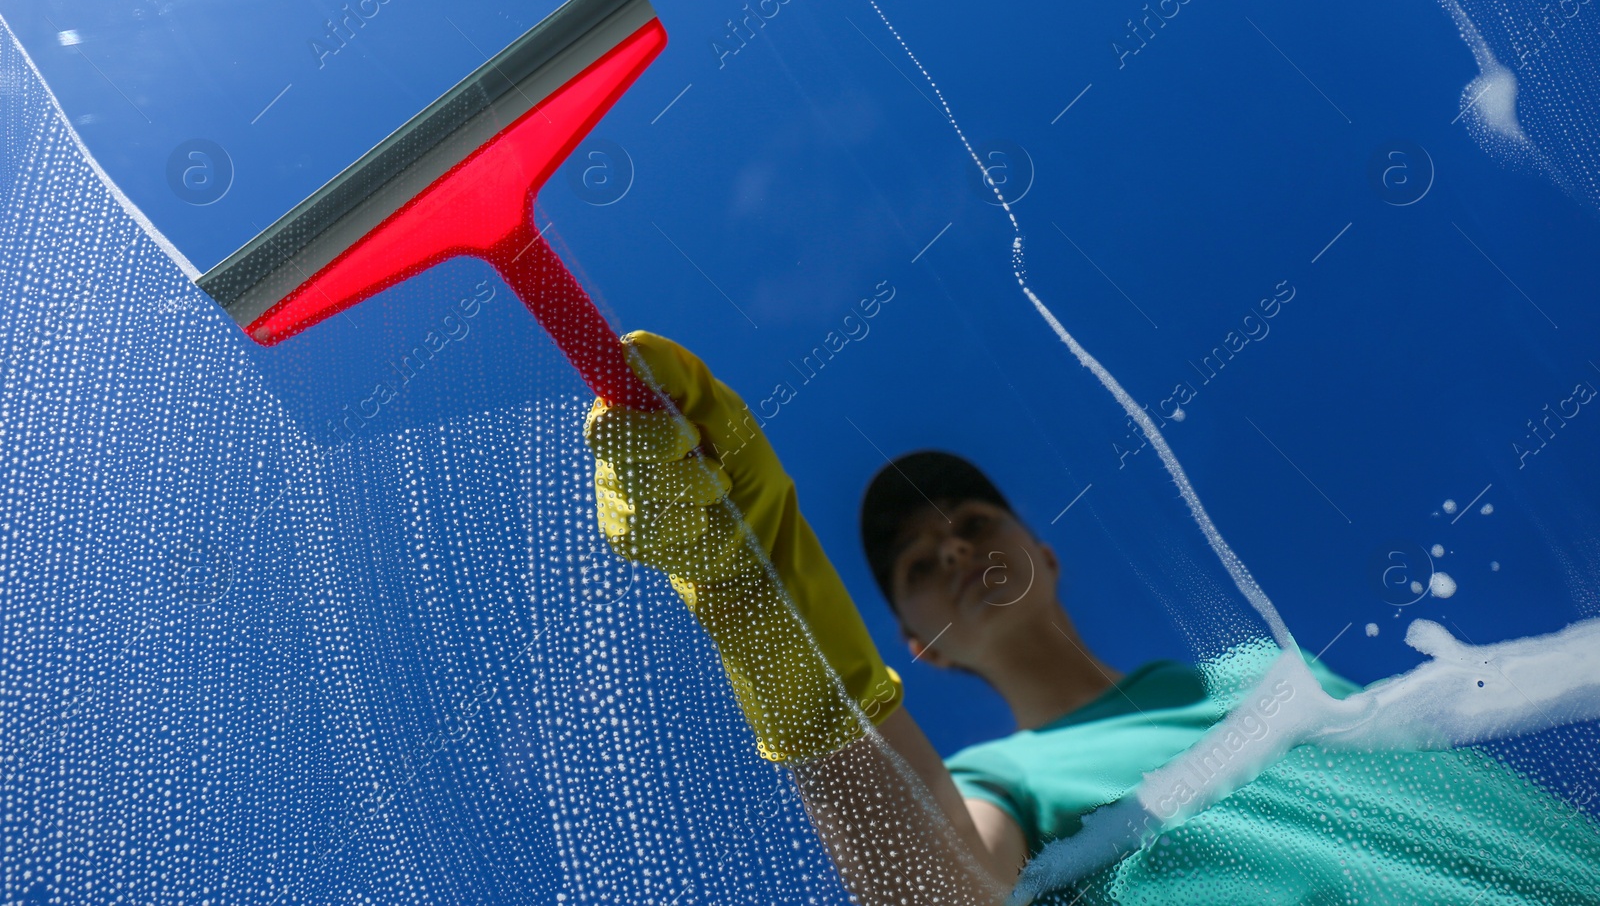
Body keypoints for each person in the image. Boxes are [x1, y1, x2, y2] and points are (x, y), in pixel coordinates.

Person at [586, 331, 1600, 905]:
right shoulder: (995, 788)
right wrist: (747, 591)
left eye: (974, 520)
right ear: (921, 645)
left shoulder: (1270, 676)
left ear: (1046, 554)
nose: (951, 550)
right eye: (916, 563)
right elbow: (931, 893)